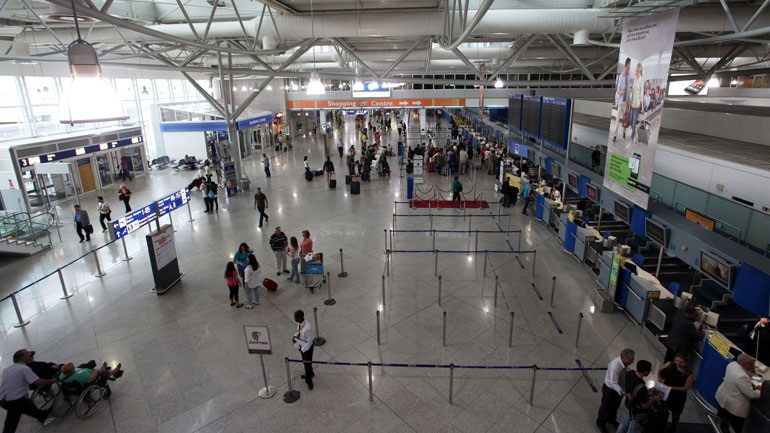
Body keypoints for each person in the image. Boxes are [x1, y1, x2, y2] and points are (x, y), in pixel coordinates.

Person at [0, 349, 57, 433]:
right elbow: (37, 381)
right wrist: (51, 381)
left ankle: (42, 416)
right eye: (27, 354)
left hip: (3, 399)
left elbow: (14, 383)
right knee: (11, 423)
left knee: (28, 407)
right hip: (14, 400)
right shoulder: (24, 368)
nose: (30, 355)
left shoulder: (7, 369)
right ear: (22, 358)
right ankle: (42, 416)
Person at [716, 353, 763, 433]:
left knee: (723, 422)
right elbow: (753, 395)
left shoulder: (732, 364)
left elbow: (745, 372)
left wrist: (756, 376)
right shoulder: (742, 376)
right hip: (734, 408)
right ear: (744, 364)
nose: (753, 366)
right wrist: (759, 387)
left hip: (723, 399)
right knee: (735, 428)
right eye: (752, 364)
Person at [596, 348, 636, 433]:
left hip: (619, 389)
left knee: (615, 406)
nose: (632, 361)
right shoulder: (615, 366)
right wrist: (624, 393)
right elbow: (613, 384)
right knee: (606, 407)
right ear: (624, 358)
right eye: (630, 359)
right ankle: (601, 422)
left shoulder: (624, 364)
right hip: (610, 390)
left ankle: (611, 419)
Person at [617, 360, 661, 433]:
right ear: (646, 372)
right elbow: (644, 406)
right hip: (636, 412)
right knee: (632, 430)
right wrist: (654, 398)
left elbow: (631, 388)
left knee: (623, 424)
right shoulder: (641, 387)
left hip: (628, 405)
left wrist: (646, 392)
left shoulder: (629, 373)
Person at [656, 354, 694, 433]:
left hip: (678, 396)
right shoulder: (670, 364)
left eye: (681, 362)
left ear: (686, 363)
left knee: (675, 414)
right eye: (676, 360)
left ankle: (672, 429)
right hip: (666, 391)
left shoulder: (689, 374)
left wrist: (670, 388)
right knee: (662, 409)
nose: (678, 363)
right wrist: (660, 382)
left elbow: (685, 388)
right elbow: (659, 370)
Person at [292, 309, 314, 390]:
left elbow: (310, 341)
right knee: (307, 363)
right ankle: (311, 373)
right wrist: (295, 336)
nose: (294, 318)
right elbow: (298, 332)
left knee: (306, 364)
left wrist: (302, 349)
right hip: (302, 345)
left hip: (307, 348)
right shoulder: (300, 324)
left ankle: (309, 381)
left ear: (300, 317)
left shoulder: (308, 328)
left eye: (295, 317)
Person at [59, 361, 123, 387]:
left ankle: (103, 368)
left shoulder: (62, 375)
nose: (74, 367)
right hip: (90, 378)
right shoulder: (79, 376)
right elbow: (90, 379)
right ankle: (114, 372)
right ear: (72, 370)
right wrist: (97, 371)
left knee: (87, 365)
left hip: (85, 373)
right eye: (73, 368)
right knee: (101, 372)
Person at [612, 57, 631, 144]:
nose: (630, 67)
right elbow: (618, 90)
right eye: (629, 65)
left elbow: (629, 90)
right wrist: (621, 92)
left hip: (625, 103)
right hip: (620, 102)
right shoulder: (621, 76)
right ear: (626, 65)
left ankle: (624, 133)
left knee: (625, 119)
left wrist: (628, 102)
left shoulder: (629, 77)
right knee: (617, 120)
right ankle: (614, 136)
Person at [629, 63, 644, 146]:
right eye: (636, 69)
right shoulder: (635, 78)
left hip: (637, 104)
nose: (636, 70)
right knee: (631, 121)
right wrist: (630, 100)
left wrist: (641, 104)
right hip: (632, 103)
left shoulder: (642, 79)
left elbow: (641, 92)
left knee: (634, 121)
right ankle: (635, 135)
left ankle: (631, 139)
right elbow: (633, 91)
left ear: (640, 70)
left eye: (638, 69)